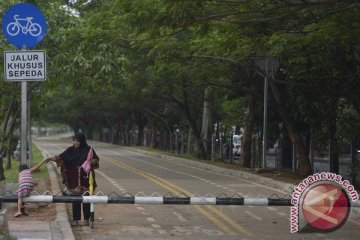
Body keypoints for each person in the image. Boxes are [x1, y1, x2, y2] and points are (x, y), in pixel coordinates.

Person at [46, 132, 99, 226]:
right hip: (73, 179)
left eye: (78, 141)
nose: (76, 143)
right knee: (75, 199)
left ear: (82, 141)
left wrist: (91, 161)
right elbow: (61, 157)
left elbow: (96, 160)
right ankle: (76, 220)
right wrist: (51, 158)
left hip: (85, 179)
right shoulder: (71, 150)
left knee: (86, 199)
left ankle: (86, 220)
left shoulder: (89, 150)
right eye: (75, 141)